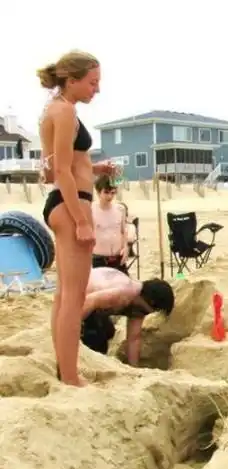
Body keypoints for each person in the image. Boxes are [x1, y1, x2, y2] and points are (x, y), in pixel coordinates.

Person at [37, 50, 118, 387]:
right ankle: (71, 377)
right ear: (72, 80)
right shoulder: (65, 110)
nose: (96, 89)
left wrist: (94, 168)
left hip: (62, 203)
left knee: (64, 295)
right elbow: (60, 172)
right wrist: (83, 220)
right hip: (71, 206)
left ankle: (65, 369)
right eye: (92, 82)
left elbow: (57, 165)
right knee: (74, 297)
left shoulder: (54, 108)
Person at [81, 267, 175, 366]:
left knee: (108, 331)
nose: (143, 315)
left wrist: (133, 368)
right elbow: (90, 301)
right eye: (146, 311)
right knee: (97, 339)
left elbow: (134, 339)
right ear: (150, 301)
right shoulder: (124, 293)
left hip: (92, 305)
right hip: (79, 296)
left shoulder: (137, 306)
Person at [92, 175, 128, 273]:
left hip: (117, 258)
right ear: (98, 192)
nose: (110, 196)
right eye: (106, 192)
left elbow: (123, 231)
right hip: (98, 258)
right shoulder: (90, 210)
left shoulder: (120, 209)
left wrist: (125, 248)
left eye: (112, 193)